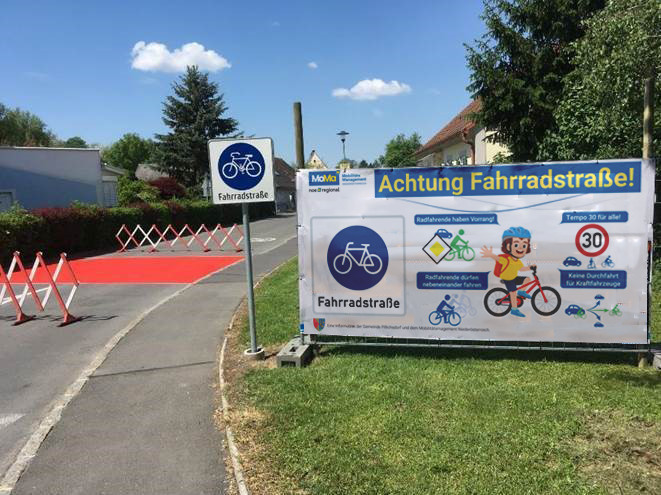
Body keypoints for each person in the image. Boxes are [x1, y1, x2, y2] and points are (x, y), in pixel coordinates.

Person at [480, 227, 535, 318]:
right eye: (516, 245)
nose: (521, 248)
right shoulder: (507, 259)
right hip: (508, 279)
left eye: (524, 246)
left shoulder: (517, 261)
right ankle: (514, 309)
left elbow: (521, 269)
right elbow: (498, 259)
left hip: (513, 277)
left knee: (527, 279)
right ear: (508, 246)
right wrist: (490, 255)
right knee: (513, 293)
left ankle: (521, 292)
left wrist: (530, 267)